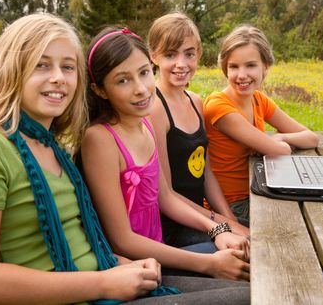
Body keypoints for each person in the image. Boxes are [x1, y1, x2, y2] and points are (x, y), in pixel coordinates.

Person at [0, 13, 245, 304]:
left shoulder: (50, 146)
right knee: (254, 297)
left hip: (107, 276)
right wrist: (105, 281)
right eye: (42, 65)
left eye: (68, 67)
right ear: (11, 69)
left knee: (253, 283)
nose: (58, 78)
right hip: (91, 290)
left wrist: (121, 265)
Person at [79, 26, 251, 285]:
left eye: (144, 73)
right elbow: (122, 240)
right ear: (100, 90)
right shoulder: (100, 139)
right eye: (123, 80)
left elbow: (166, 198)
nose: (141, 88)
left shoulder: (144, 123)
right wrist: (210, 264)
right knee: (248, 274)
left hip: (160, 250)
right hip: (137, 269)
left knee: (249, 250)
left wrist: (219, 228)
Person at [147, 12, 249, 248]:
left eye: (189, 54)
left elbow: (206, 173)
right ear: (154, 56)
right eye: (170, 54)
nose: (181, 64)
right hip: (175, 228)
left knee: (261, 235)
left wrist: (231, 220)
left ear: (198, 55)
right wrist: (224, 225)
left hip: (203, 218)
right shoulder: (154, 108)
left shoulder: (195, 101)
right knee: (251, 253)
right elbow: (167, 195)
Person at [203, 25, 319, 226]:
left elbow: (311, 137)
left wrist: (281, 137)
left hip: (256, 191)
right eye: (234, 66)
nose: (242, 75)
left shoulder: (259, 100)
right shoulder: (219, 107)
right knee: (299, 224)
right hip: (232, 206)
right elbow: (280, 151)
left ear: (265, 66)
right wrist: (277, 142)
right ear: (225, 68)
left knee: (315, 209)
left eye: (250, 65)